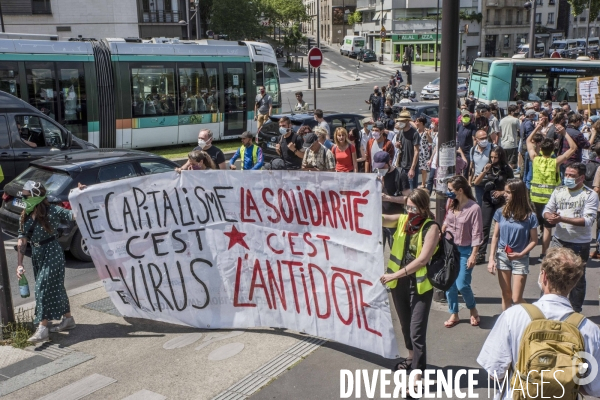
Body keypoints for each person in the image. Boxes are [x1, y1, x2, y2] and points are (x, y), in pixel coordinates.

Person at [478, 247, 600, 399]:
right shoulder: (589, 330)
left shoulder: (513, 316)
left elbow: (494, 373)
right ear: (574, 283)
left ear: (544, 277)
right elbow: (595, 388)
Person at [380, 189, 440, 377]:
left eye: (413, 208)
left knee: (416, 331)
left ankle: (417, 374)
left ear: (423, 207)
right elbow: (380, 219)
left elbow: (422, 260)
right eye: (407, 207)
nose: (409, 211)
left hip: (420, 286)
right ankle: (411, 357)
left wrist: (394, 275)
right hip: (400, 285)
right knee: (405, 326)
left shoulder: (432, 228)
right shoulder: (403, 220)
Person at [16, 181, 80, 342]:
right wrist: (20, 264)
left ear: (35, 195)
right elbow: (22, 241)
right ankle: (68, 320)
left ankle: (42, 327)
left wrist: (80, 195)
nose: (23, 197)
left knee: (41, 288)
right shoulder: (25, 214)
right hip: (37, 254)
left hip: (52, 251)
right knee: (56, 286)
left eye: (25, 195)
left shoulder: (53, 210)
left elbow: (73, 215)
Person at [543, 162, 599, 313]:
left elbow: (588, 221)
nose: (567, 178)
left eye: (571, 176)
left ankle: (574, 311)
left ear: (581, 178)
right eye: (566, 174)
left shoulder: (590, 195)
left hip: (579, 244)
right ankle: (548, 307)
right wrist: (550, 217)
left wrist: (561, 219)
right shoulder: (559, 190)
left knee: (577, 279)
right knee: (549, 272)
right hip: (558, 240)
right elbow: (547, 210)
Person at [487, 179, 538, 310]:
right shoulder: (501, 212)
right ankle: (507, 325)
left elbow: (534, 240)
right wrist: (491, 259)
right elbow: (496, 236)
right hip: (503, 256)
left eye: (508, 192)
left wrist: (521, 253)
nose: (505, 194)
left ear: (517, 194)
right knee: (506, 294)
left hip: (520, 258)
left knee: (516, 298)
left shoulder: (530, 216)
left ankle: (537, 316)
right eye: (505, 191)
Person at [441, 176, 483, 328]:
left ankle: (473, 309)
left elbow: (477, 233)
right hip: (450, 248)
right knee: (449, 283)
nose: (448, 192)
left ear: (460, 190)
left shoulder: (474, 208)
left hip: (465, 250)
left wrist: (474, 254)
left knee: (462, 284)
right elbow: (447, 221)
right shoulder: (451, 203)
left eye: (451, 190)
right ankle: (454, 313)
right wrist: (441, 232)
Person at [528, 129, 576, 257]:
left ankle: (526, 251)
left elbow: (528, 141)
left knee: (533, 224)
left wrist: (537, 127)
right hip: (550, 199)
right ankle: (544, 253)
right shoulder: (556, 162)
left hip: (536, 197)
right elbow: (573, 147)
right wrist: (564, 133)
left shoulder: (535, 159)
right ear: (553, 150)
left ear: (541, 149)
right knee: (547, 228)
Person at [473, 147, 514, 264]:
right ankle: (481, 253)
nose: (493, 159)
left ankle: (501, 252)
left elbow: (513, 186)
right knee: (484, 226)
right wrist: (485, 171)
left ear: (500, 157)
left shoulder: (506, 169)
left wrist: (502, 192)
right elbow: (476, 182)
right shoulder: (488, 166)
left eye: (495, 157)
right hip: (488, 199)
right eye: (491, 157)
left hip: (501, 200)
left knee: (501, 227)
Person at [375, 151, 411, 249]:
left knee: (395, 252)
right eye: (378, 167)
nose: (380, 169)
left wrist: (388, 198)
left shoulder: (400, 174)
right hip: (379, 221)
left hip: (394, 221)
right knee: (378, 254)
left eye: (382, 167)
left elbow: (407, 199)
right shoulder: (376, 174)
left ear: (389, 162)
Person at [470, 130, 495, 206]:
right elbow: (472, 166)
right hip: (479, 182)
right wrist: (469, 181)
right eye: (481, 138)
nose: (484, 140)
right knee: (479, 204)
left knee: (491, 205)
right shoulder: (473, 150)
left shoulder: (493, 148)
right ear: (476, 139)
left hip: (491, 182)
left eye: (485, 137)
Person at [397, 109, 420, 189]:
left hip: (410, 167)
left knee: (412, 191)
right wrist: (398, 145)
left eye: (402, 121)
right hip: (402, 166)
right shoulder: (401, 132)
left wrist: (412, 168)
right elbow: (401, 148)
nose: (400, 122)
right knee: (404, 190)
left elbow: (416, 151)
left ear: (407, 121)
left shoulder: (414, 133)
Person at [498, 105, 520, 170]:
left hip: (503, 143)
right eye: (517, 111)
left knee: (504, 161)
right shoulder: (516, 120)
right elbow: (519, 129)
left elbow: (500, 132)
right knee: (511, 163)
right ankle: (510, 175)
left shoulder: (502, 120)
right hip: (512, 144)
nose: (518, 112)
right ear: (512, 112)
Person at [457, 111, 478, 177]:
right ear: (461, 117)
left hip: (467, 152)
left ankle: (465, 183)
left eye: (467, 117)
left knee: (466, 169)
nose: (465, 118)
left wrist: (473, 150)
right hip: (458, 151)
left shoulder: (472, 127)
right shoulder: (459, 125)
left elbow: (474, 139)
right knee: (458, 169)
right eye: (464, 116)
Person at [415, 116, 432, 190]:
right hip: (417, 151)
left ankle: (423, 183)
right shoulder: (416, 131)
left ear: (421, 123)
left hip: (424, 152)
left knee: (423, 169)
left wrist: (428, 134)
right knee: (416, 167)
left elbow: (431, 141)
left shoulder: (426, 131)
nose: (416, 123)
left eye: (417, 121)